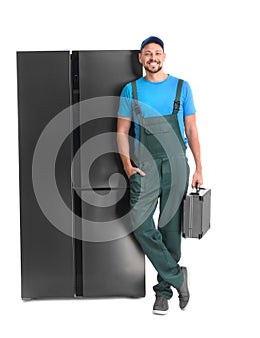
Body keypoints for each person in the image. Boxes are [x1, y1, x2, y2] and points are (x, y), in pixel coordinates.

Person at [116, 36, 203, 314]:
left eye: (157, 53)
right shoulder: (131, 90)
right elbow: (121, 132)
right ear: (140, 59)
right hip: (145, 164)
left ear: (163, 57)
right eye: (147, 53)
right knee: (139, 222)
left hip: (177, 163)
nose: (153, 57)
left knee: (169, 228)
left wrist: (200, 167)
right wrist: (128, 165)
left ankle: (163, 292)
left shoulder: (182, 87)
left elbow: (191, 131)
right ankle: (177, 276)